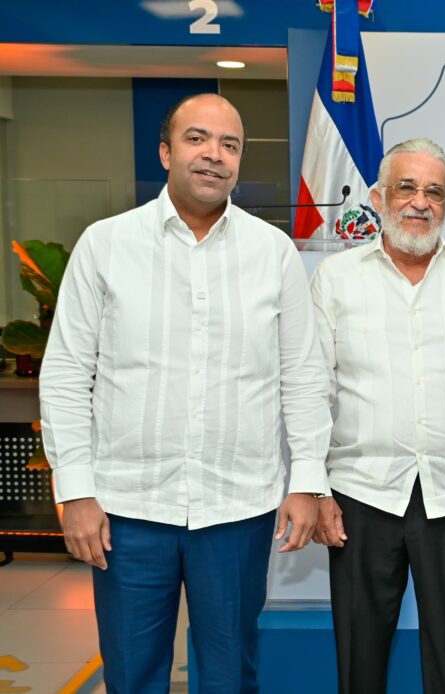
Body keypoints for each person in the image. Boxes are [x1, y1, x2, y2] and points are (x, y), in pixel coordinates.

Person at [38, 93, 333, 692]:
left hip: (236, 510)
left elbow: (303, 374)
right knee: (133, 673)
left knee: (229, 674)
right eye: (198, 139)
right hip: (127, 510)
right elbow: (67, 373)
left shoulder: (272, 252)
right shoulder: (106, 244)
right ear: (166, 151)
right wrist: (77, 492)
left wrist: (306, 480)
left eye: (230, 145)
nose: (214, 156)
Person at [310, 138, 445, 694]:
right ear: (379, 196)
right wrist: (313, 487)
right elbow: (311, 388)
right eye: (406, 187)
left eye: (435, 191)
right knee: (360, 655)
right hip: (360, 495)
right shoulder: (336, 279)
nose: (420, 202)